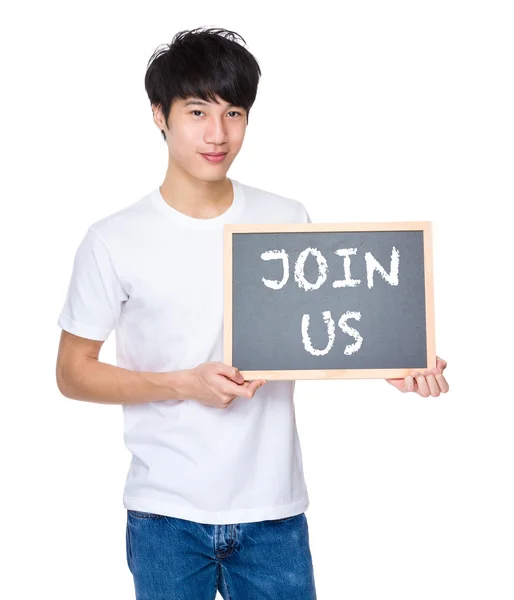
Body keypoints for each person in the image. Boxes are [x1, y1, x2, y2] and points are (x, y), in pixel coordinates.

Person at [55, 26, 450, 600]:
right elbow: (72, 372)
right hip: (165, 513)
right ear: (159, 115)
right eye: (197, 112)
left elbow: (313, 333)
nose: (218, 134)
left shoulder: (286, 218)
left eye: (234, 113)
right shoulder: (113, 239)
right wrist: (183, 384)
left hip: (274, 512)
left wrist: (392, 354)